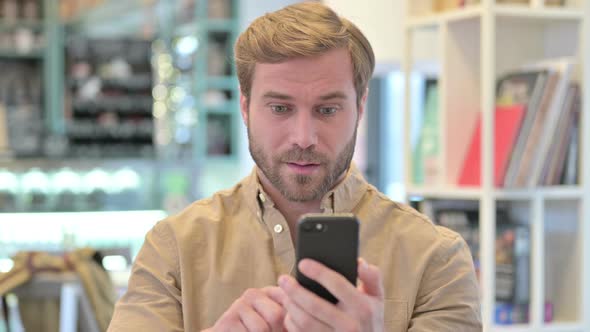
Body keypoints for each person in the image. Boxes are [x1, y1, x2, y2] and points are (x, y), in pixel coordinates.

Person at [108, 2, 482, 331]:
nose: (304, 137)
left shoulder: (436, 260)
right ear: (244, 106)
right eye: (280, 108)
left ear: (361, 108)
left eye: (327, 109)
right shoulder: (173, 248)